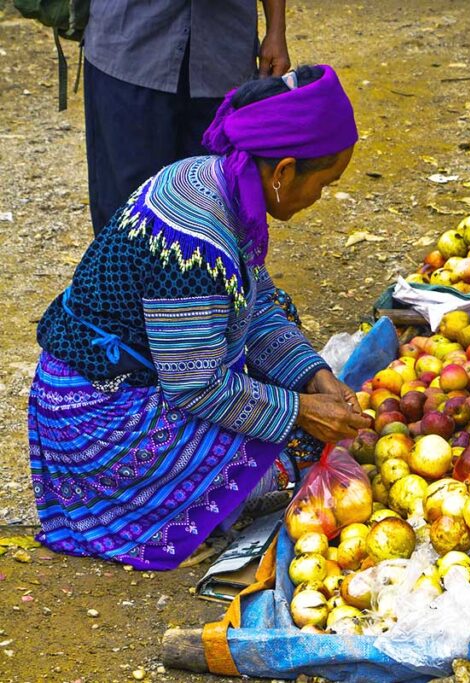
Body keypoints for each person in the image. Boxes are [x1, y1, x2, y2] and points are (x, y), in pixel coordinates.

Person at [29, 65, 370, 570]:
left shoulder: (223, 183)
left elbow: (258, 311)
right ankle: (125, 508)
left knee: (289, 375)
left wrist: (315, 376)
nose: (321, 198)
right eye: (324, 182)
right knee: (287, 462)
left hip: (143, 379)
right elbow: (195, 388)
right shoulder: (196, 242)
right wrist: (302, 410)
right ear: (283, 172)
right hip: (97, 417)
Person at [83, 1, 290, 236]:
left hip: (224, 56)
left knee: (212, 212)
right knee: (125, 209)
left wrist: (276, 29)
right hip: (130, 49)